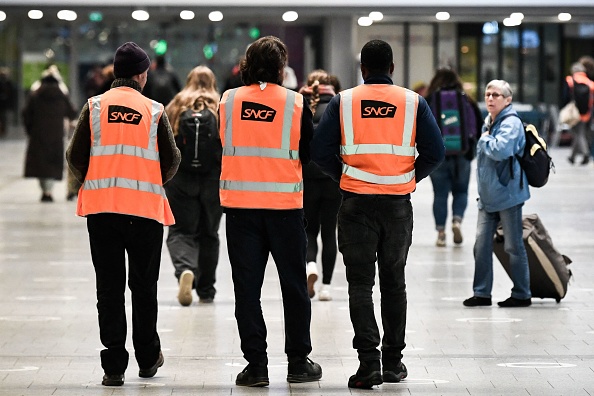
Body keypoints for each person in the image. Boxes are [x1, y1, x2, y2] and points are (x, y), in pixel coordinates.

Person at [311, 39, 445, 389]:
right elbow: (436, 151)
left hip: (355, 204)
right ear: (393, 68)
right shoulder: (413, 102)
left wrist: (343, 175)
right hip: (397, 206)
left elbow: (319, 150)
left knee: (360, 283)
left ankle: (368, 362)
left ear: (362, 70)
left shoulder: (344, 102)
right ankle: (393, 363)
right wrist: (410, 176)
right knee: (394, 282)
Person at [66, 42, 180, 387]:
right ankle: (147, 359)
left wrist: (95, 178)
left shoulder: (94, 107)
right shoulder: (155, 109)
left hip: (102, 212)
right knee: (144, 287)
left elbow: (74, 156)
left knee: (109, 288)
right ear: (142, 74)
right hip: (145, 211)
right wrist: (149, 179)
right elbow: (171, 158)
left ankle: (113, 365)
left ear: (116, 74)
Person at [218, 35, 322, 387]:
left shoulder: (228, 101)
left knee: (247, 289)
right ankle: (297, 363)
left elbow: (225, 142)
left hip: (240, 210)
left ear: (247, 65)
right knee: (293, 287)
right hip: (284, 209)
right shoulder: (295, 104)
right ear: (281, 68)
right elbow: (306, 155)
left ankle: (257, 366)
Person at [463, 79, 532, 308]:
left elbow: (501, 150)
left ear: (508, 100)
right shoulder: (490, 121)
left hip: (509, 195)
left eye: (496, 95)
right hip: (488, 197)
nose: (490, 98)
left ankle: (522, 293)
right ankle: (482, 292)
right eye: (488, 94)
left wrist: (484, 139)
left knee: (513, 246)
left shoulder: (510, 123)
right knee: (480, 245)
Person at [164, 65, 223, 306]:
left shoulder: (176, 104)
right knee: (209, 233)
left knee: (180, 231)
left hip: (181, 178)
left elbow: (163, 142)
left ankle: (186, 269)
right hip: (213, 179)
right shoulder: (221, 104)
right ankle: (206, 290)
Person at [425, 68, 483, 246]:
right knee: (461, 191)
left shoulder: (429, 100)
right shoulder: (466, 99)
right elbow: (479, 127)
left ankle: (441, 233)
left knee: (440, 194)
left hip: (437, 156)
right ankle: (456, 220)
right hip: (462, 154)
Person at [298, 69, 341, 301]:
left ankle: (310, 265)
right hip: (332, 179)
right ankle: (326, 286)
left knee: (309, 230)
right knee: (328, 233)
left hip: (306, 178)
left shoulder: (297, 105)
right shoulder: (337, 107)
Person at [22, 68, 78, 202]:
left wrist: (30, 130)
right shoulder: (61, 95)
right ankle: (49, 190)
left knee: (40, 164)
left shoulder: (35, 95)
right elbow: (72, 112)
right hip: (56, 134)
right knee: (53, 162)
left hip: (38, 134)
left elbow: (25, 114)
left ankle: (44, 190)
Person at [562, 62, 594, 165]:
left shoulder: (570, 80)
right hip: (587, 112)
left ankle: (585, 154)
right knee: (579, 133)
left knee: (578, 134)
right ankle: (572, 156)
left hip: (574, 112)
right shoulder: (589, 82)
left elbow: (565, 97)